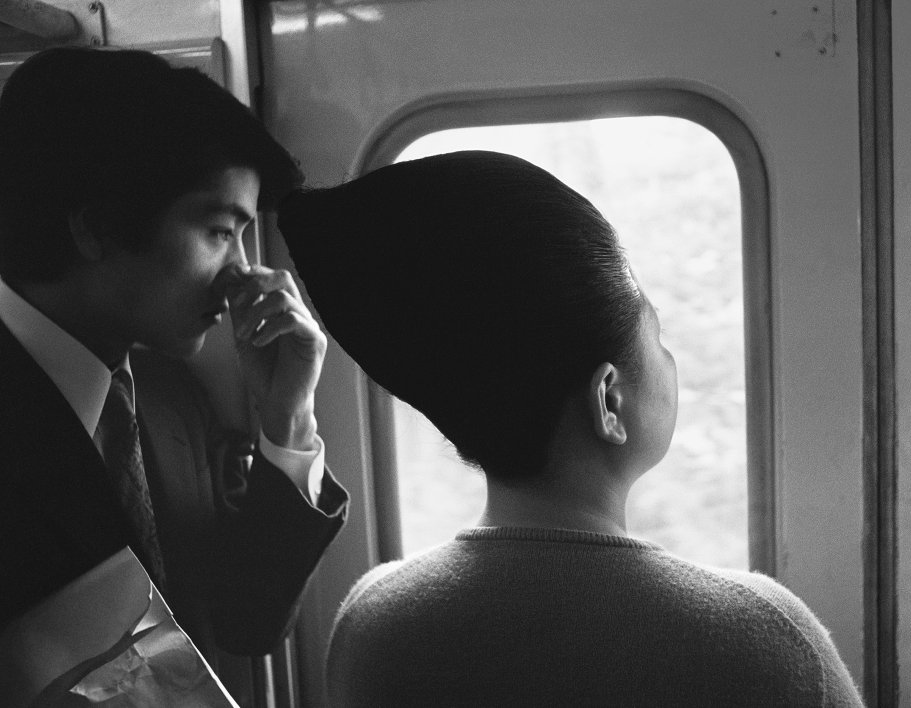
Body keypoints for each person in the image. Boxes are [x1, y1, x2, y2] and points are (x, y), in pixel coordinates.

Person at [277, 150, 865, 706]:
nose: (671, 360)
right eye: (657, 338)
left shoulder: (377, 625)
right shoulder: (769, 642)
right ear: (609, 400)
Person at [0, 46, 348, 666]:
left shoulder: (164, 397)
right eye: (219, 231)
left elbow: (239, 627)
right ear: (99, 228)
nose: (243, 271)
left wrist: (287, 420)